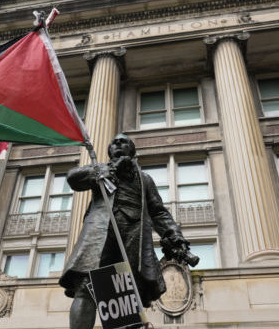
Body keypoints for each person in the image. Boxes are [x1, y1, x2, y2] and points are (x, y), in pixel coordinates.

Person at [59, 133, 196, 329]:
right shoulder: (101, 169)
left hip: (133, 238)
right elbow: (73, 178)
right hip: (99, 233)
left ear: (132, 150)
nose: (118, 145)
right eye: (114, 142)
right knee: (85, 288)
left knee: (124, 297)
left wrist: (174, 235)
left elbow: (158, 211)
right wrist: (106, 170)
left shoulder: (144, 179)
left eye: (123, 142)